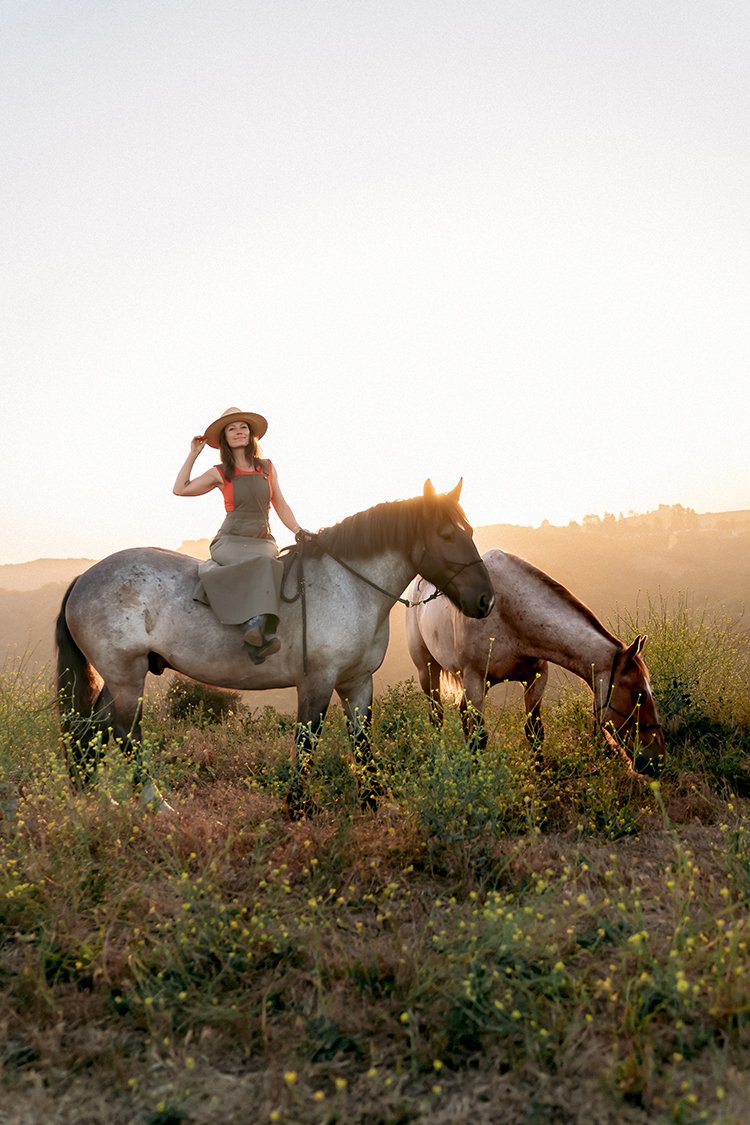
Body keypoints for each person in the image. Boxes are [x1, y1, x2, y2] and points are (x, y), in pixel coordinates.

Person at [173, 407, 312, 663]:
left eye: (243, 427)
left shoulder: (267, 468)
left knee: (270, 562)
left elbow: (280, 503)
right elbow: (180, 489)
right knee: (261, 564)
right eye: (231, 429)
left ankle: (255, 634)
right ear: (225, 438)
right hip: (230, 540)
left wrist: (298, 531)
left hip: (262, 539)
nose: (238, 432)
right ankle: (255, 629)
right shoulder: (219, 472)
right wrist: (193, 455)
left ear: (251, 434)